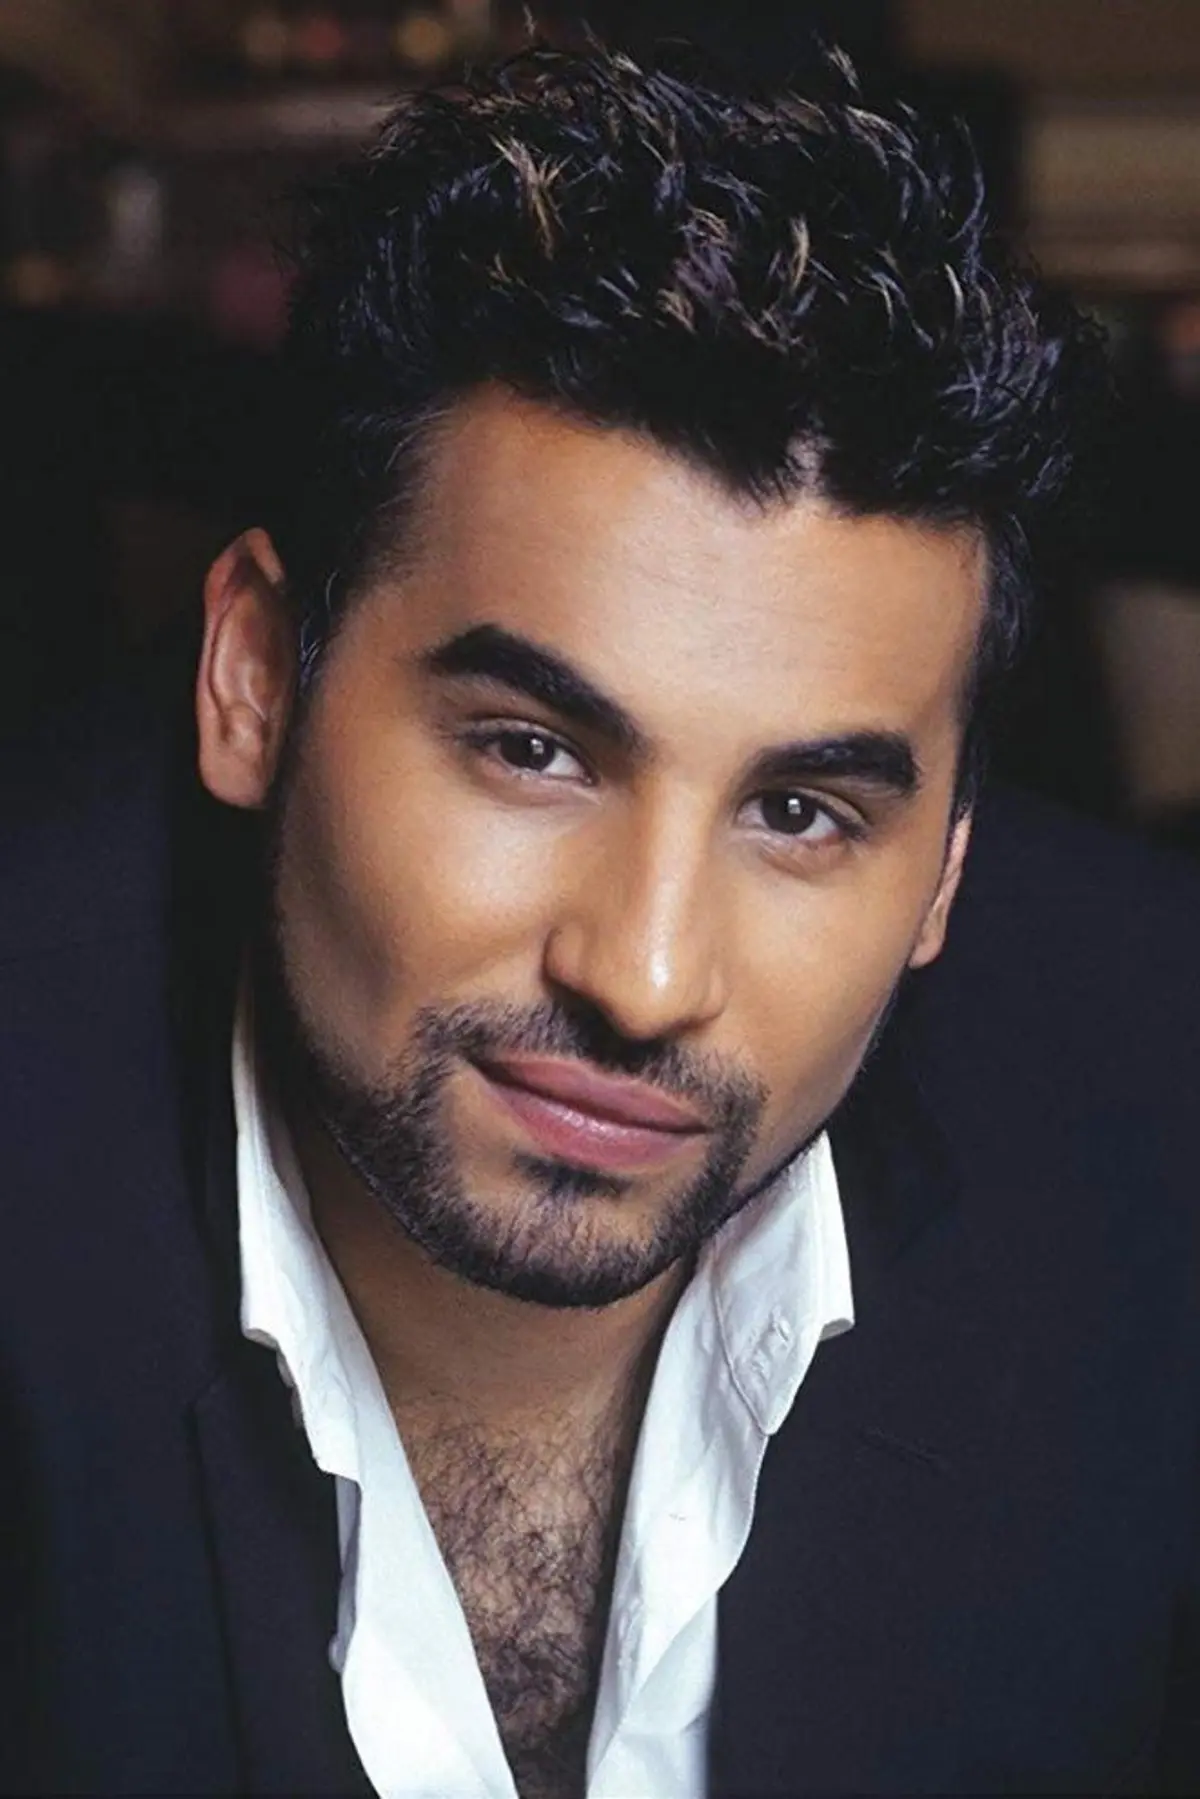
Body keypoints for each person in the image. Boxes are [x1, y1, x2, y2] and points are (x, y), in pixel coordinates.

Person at [1, 36, 1198, 1799]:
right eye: (533, 750)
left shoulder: (1161, 1137)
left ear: (947, 862)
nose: (642, 975)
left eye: (801, 813)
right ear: (254, 676)